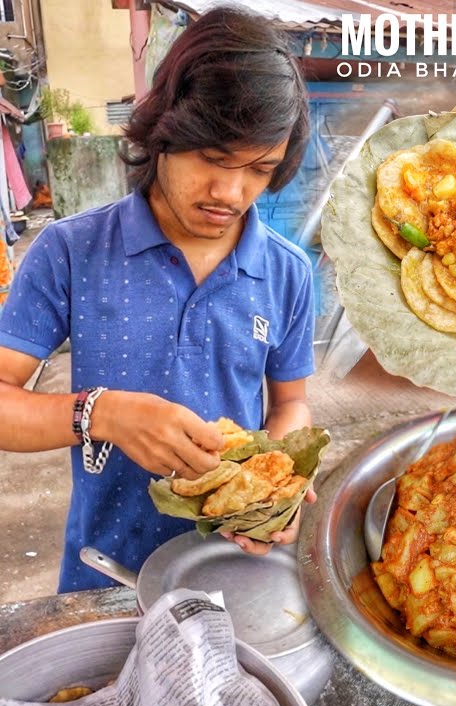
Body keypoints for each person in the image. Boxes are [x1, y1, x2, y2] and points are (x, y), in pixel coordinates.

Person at [0, 6, 316, 592]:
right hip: (106, 574)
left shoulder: (287, 272)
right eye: (213, 159)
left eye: (260, 169)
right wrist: (104, 414)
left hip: (234, 572)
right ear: (165, 132)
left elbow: (290, 404)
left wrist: (284, 481)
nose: (231, 192)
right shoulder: (72, 251)